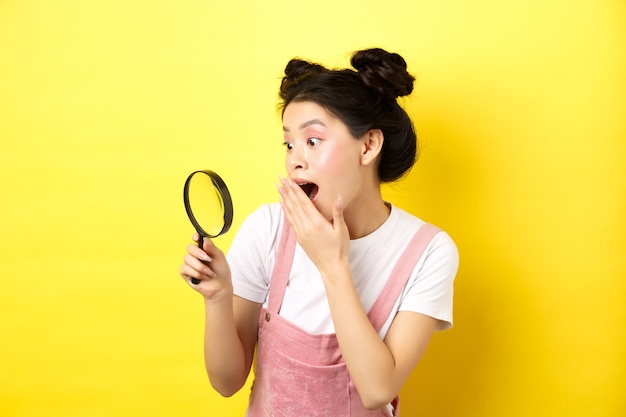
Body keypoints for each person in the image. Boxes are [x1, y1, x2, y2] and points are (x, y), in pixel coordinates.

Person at [179, 47, 459, 417]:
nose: (295, 158)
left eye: (313, 141)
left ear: (368, 145)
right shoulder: (267, 229)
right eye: (289, 144)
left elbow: (376, 390)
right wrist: (216, 298)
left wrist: (332, 264)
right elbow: (226, 382)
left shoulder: (428, 251)